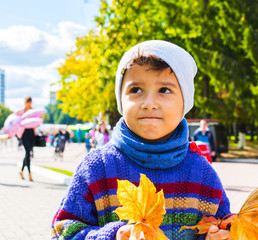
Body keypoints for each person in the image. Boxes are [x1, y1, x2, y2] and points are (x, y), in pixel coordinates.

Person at [51, 40, 232, 240]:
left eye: (164, 90)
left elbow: (224, 226)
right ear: (121, 100)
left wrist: (219, 236)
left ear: (185, 103)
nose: (149, 103)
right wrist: (112, 236)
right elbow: (62, 232)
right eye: (136, 90)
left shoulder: (202, 173)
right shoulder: (97, 168)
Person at [16, 96, 36, 181]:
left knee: (28, 153)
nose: (29, 104)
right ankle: (29, 173)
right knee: (28, 152)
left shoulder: (33, 111)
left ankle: (21, 171)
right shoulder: (21, 112)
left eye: (30, 102)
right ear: (25, 102)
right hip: (24, 133)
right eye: (28, 102)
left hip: (31, 132)